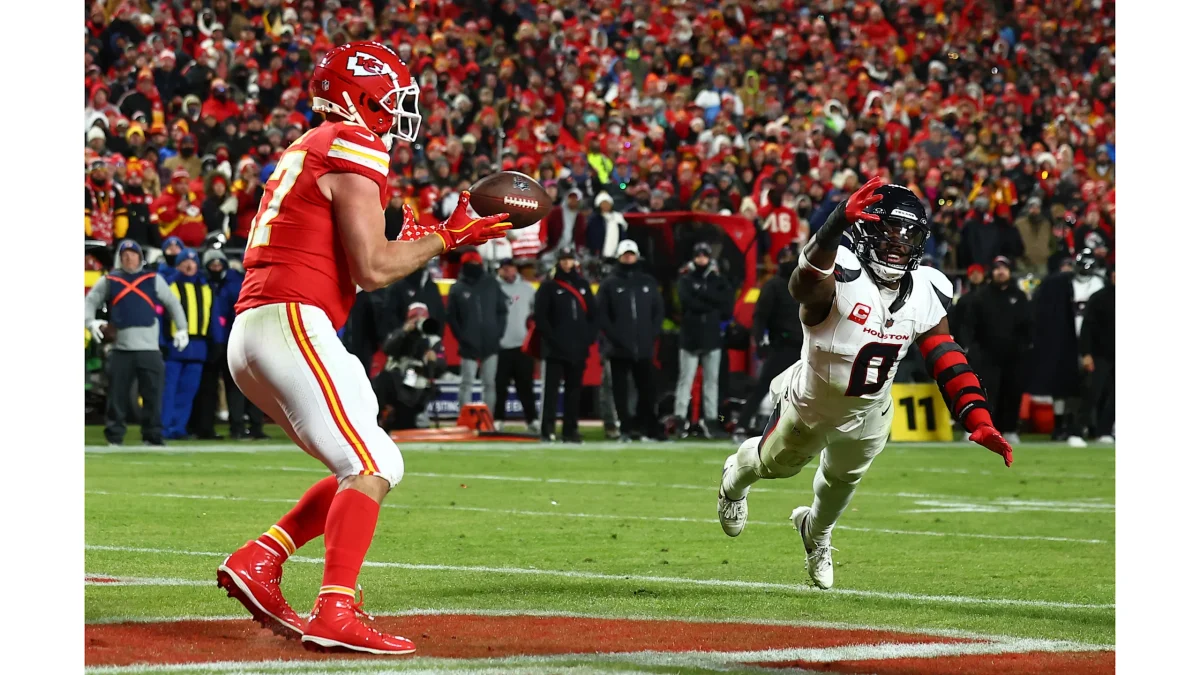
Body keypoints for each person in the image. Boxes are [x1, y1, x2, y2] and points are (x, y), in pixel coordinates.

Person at [217, 42, 511, 655]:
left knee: (374, 457)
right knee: (370, 463)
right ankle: (336, 609)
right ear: (363, 95)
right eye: (394, 97)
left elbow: (362, 261)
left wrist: (425, 239)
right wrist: (449, 237)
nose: (400, 111)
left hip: (264, 326)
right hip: (291, 318)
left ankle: (260, 558)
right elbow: (375, 268)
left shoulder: (313, 144)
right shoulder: (353, 139)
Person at [716, 178, 1012, 590]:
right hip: (811, 401)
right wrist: (835, 221)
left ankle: (815, 536)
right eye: (889, 231)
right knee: (771, 467)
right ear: (864, 231)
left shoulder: (929, 287)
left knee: (840, 483)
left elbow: (944, 353)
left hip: (871, 411)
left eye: (908, 234)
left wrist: (977, 417)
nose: (898, 243)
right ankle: (733, 483)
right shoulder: (841, 272)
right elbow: (801, 284)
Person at [84, 239, 188, 446]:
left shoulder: (154, 279)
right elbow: (90, 301)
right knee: (116, 397)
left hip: (150, 349)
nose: (129, 258)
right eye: (125, 255)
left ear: (140, 257)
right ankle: (114, 436)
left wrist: (182, 328)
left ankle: (153, 435)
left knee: (153, 395)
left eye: (133, 254)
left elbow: (173, 303)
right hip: (120, 349)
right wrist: (91, 322)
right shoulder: (109, 280)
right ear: (119, 258)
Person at [1029, 248, 1106, 447]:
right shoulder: (1061, 285)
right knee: (1064, 385)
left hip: (1095, 340)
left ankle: (1088, 425)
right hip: (1067, 339)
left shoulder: (1100, 285)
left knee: (1092, 386)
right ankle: (1062, 425)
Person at [190, 249, 267, 440]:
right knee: (209, 389)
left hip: (231, 341)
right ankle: (206, 428)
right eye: (212, 264)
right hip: (209, 343)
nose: (216, 267)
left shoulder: (232, 284)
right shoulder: (204, 283)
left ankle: (239, 426)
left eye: (218, 263)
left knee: (238, 388)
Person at [732, 245, 804, 443]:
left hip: (805, 346)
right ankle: (741, 425)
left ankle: (799, 432)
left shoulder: (805, 283)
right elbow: (760, 317)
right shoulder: (773, 285)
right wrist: (760, 340)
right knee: (764, 386)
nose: (789, 260)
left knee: (805, 392)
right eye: (786, 257)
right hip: (782, 345)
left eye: (791, 257)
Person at [594, 240, 665, 441]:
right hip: (618, 348)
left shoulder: (647, 282)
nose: (628, 257)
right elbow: (602, 315)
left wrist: (651, 334)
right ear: (619, 256)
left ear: (637, 256)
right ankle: (624, 428)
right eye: (625, 254)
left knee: (647, 389)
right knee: (620, 391)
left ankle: (646, 427)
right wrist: (616, 337)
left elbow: (658, 311)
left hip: (643, 346)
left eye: (631, 254)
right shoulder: (609, 283)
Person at [957, 256, 1033, 444]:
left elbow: (1029, 325)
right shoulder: (980, 296)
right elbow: (969, 326)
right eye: (997, 268)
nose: (1001, 272)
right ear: (992, 271)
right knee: (984, 394)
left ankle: (1009, 429)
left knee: (1012, 393)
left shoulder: (1019, 296)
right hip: (986, 354)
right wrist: (970, 348)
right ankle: (977, 429)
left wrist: (1024, 347)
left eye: (1004, 268)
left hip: (1013, 356)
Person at [534, 247, 596, 443]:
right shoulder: (549, 286)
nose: (566, 263)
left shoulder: (583, 285)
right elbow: (541, 318)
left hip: (578, 349)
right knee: (550, 392)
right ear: (558, 261)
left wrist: (587, 338)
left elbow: (594, 315)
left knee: (574, 391)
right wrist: (553, 339)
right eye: (563, 259)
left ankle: (570, 430)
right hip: (555, 350)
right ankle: (547, 429)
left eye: (569, 259)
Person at [673, 242, 733, 439]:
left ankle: (711, 422)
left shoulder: (715, 279)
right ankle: (680, 421)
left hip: (711, 337)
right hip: (691, 337)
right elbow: (687, 302)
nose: (701, 259)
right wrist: (711, 302)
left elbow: (726, 304)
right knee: (685, 381)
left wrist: (701, 296)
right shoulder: (686, 279)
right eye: (698, 256)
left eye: (704, 256)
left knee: (711, 382)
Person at [447, 249, 507, 414]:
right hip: (468, 344)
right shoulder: (458, 288)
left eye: (475, 264)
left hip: (490, 341)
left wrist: (497, 333)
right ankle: (464, 419)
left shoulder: (492, 284)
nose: (473, 267)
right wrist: (462, 337)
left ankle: (488, 420)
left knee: (489, 383)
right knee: (467, 383)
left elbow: (502, 310)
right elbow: (452, 318)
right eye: (470, 264)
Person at [160, 248, 211, 439]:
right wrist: (162, 342)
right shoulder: (170, 284)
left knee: (187, 391)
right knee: (169, 390)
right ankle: (164, 428)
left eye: (193, 262)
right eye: (185, 262)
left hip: (198, 347)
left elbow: (212, 316)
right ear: (178, 265)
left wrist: (216, 342)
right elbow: (161, 315)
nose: (189, 266)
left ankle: (178, 428)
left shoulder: (205, 287)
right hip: (174, 345)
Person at [373, 303, 447, 430]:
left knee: (406, 421)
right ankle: (376, 420)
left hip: (418, 385)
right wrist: (404, 332)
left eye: (421, 318)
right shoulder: (400, 334)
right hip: (396, 382)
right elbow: (387, 348)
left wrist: (434, 360)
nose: (418, 322)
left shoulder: (433, 340)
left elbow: (441, 366)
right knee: (382, 379)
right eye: (414, 318)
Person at [494, 258, 539, 433]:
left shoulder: (528, 289)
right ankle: (498, 419)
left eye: (511, 268)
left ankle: (532, 419)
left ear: (516, 270)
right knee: (500, 386)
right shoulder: (494, 288)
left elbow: (535, 315)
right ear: (500, 271)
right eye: (504, 269)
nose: (508, 272)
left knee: (525, 386)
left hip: (523, 346)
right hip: (500, 345)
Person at [1079, 267, 1115, 443]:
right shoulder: (1099, 298)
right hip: (1100, 353)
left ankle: (1105, 431)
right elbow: (1087, 328)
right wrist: (1086, 353)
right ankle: (1076, 431)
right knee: (1092, 393)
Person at [152, 167, 207, 247]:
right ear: (173, 184)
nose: (183, 186)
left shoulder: (193, 198)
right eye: (180, 183)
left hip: (197, 245)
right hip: (175, 245)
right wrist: (176, 209)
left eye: (186, 183)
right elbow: (161, 218)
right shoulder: (165, 199)